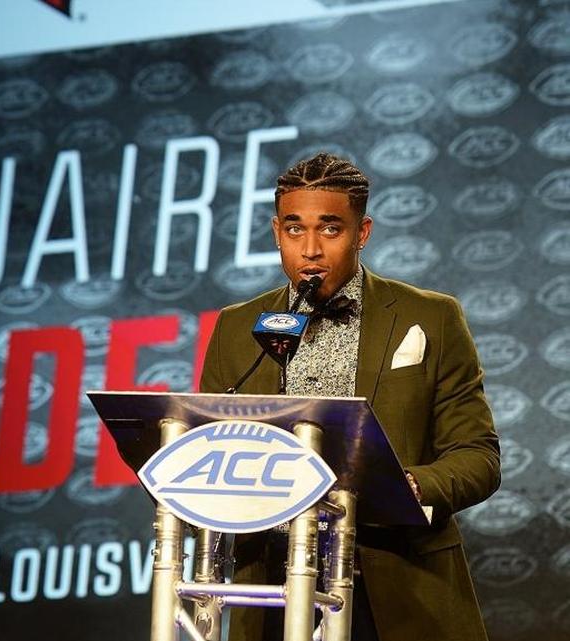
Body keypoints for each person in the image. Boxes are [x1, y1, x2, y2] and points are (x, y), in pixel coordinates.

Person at [198, 152, 501, 641]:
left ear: (362, 233)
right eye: (294, 229)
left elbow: (477, 457)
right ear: (276, 232)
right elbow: (206, 452)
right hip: (272, 589)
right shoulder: (236, 328)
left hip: (398, 589)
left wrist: (409, 487)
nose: (310, 249)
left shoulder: (432, 317)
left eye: (330, 229)